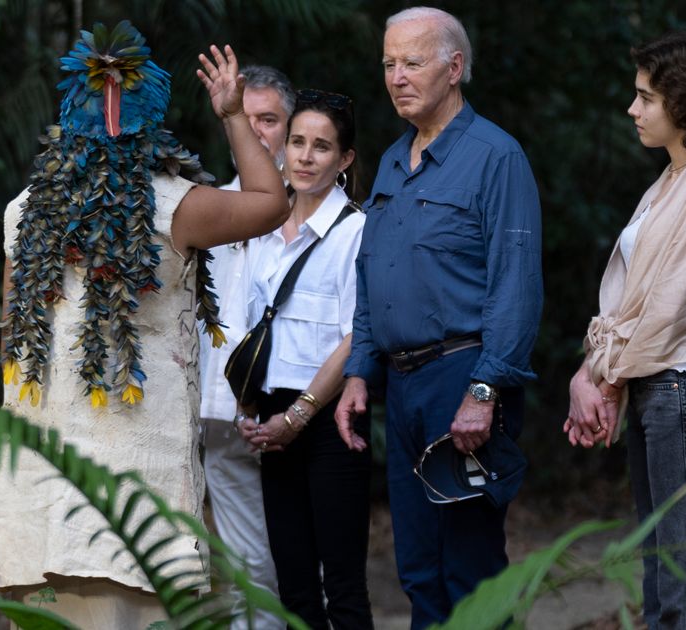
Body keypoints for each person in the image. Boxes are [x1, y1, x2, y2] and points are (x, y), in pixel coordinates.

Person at [0, 23, 289, 627]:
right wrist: (231, 116)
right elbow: (271, 202)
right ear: (150, 120)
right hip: (138, 495)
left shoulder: (24, 210)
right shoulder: (176, 206)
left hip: (42, 485)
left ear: (68, 119)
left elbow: (11, 340)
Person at [333, 7, 543, 628]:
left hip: (464, 379)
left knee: (469, 569)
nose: (396, 77)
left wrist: (485, 389)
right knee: (419, 569)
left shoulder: (495, 157)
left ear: (454, 69)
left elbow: (517, 284)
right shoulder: (395, 161)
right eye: (389, 64)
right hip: (402, 388)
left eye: (412, 62)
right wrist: (358, 371)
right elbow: (372, 279)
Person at [563, 32, 686, 629]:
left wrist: (605, 380)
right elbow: (630, 305)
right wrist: (588, 374)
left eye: (646, 97)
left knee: (685, 578)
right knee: (662, 573)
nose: (633, 109)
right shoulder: (671, 180)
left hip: (684, 389)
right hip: (659, 387)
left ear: (685, 102)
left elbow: (669, 309)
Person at [234, 88, 372, 628]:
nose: (306, 157)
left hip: (330, 418)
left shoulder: (356, 231)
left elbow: (356, 335)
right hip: (271, 416)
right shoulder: (262, 227)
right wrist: (253, 408)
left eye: (321, 146)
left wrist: (298, 417)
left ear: (345, 160)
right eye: (297, 143)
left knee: (342, 585)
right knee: (292, 585)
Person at [197, 64, 293, 629]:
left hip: (291, 408)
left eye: (269, 120)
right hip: (217, 412)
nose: (256, 133)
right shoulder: (209, 203)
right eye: (244, 117)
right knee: (240, 563)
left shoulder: (319, 206)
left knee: (292, 562)